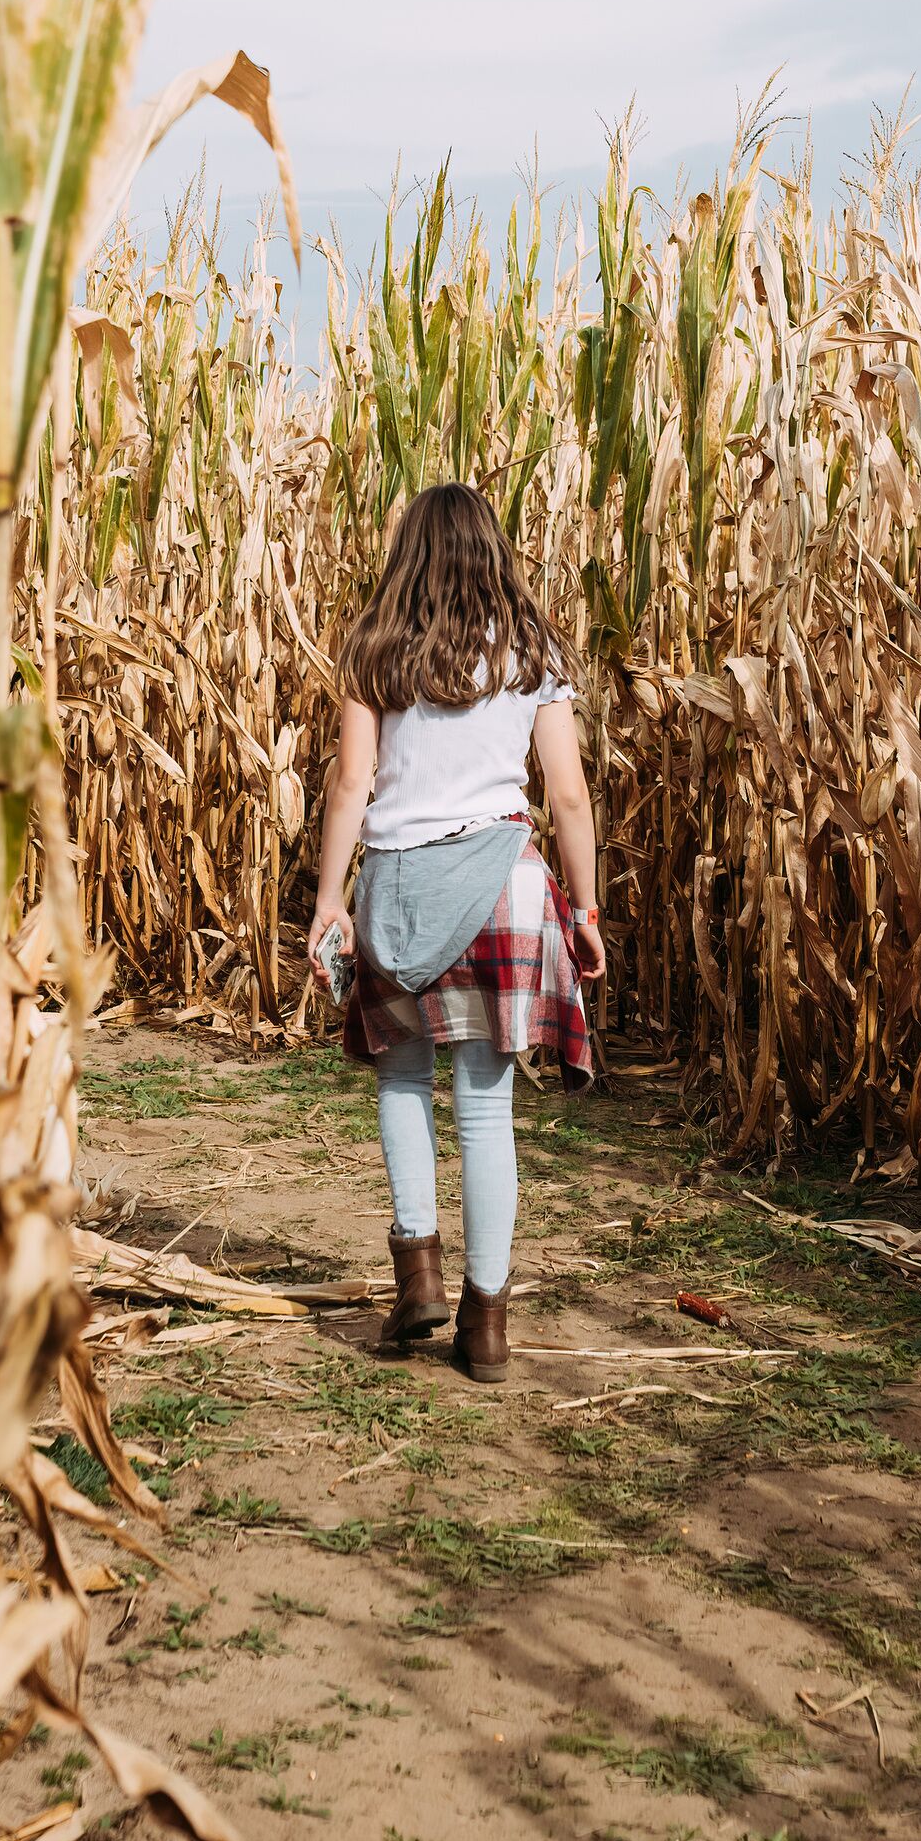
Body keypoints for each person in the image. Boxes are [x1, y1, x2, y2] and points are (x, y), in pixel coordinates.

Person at [303, 484, 605, 1382]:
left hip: (401, 881)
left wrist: (330, 899)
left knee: (402, 1078)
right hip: (506, 887)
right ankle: (486, 1329)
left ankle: (418, 1275)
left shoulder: (373, 651)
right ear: (491, 551)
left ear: (409, 555)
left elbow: (352, 786)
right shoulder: (532, 651)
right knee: (486, 1110)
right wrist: (584, 913)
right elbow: (569, 795)